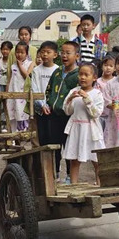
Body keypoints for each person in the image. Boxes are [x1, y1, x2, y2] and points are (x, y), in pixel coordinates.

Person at [62, 62, 104, 185]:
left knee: (97, 160)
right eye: (81, 74)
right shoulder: (73, 91)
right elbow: (67, 111)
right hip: (76, 129)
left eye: (86, 75)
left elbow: (96, 113)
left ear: (94, 77)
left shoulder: (97, 94)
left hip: (91, 130)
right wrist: (69, 99)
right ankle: (74, 186)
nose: (83, 77)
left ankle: (100, 186)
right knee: (74, 160)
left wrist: (87, 99)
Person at [45, 41, 79, 183]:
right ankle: (55, 173)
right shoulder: (57, 72)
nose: (64, 56)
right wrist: (47, 103)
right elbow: (48, 90)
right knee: (55, 145)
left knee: (70, 146)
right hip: (54, 115)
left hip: (69, 117)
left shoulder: (78, 75)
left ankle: (70, 176)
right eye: (62, 52)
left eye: (68, 53)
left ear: (76, 56)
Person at [30, 41, 59, 145]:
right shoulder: (36, 70)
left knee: (54, 136)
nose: (45, 54)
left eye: (48, 52)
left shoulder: (58, 70)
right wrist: (42, 105)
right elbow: (35, 89)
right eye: (43, 52)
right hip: (40, 109)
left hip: (54, 108)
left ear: (55, 54)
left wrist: (51, 104)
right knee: (42, 136)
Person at [7, 42, 33, 131]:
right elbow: (10, 79)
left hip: (23, 94)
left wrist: (20, 65)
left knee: (22, 113)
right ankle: (13, 134)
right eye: (17, 52)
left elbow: (26, 76)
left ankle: (23, 132)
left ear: (26, 53)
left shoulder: (30, 63)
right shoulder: (13, 65)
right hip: (12, 92)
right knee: (12, 113)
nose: (19, 54)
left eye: (22, 52)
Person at [96, 55, 115, 130]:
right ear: (102, 66)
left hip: (112, 114)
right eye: (106, 65)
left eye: (111, 66)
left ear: (115, 68)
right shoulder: (97, 81)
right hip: (99, 114)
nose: (108, 68)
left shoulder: (116, 82)